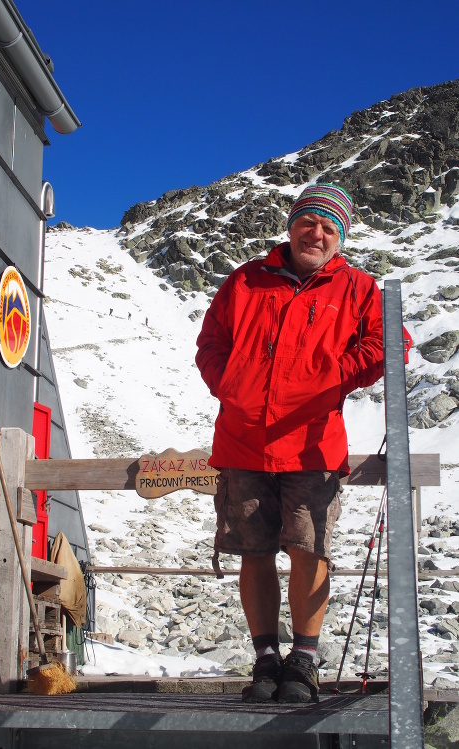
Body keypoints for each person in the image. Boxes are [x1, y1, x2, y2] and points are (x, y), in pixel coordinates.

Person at [195, 183, 411, 704]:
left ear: (341, 239)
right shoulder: (246, 280)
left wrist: (334, 378)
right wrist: (233, 387)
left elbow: (392, 342)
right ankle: (265, 656)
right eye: (308, 222)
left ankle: (304, 660)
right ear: (292, 227)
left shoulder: (358, 288)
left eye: (329, 228)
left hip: (313, 447)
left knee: (309, 549)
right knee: (255, 550)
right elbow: (211, 344)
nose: (316, 233)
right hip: (244, 441)